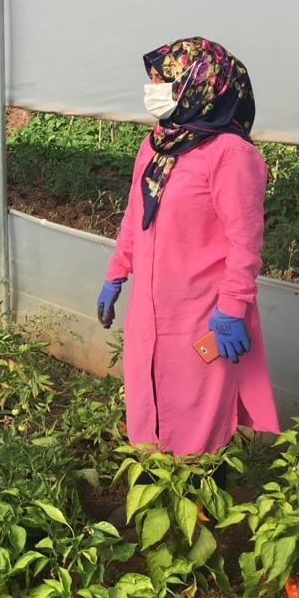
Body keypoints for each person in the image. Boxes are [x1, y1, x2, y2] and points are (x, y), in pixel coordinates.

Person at [96, 37, 279, 464]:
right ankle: (154, 489)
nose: (153, 90)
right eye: (153, 80)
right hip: (149, 309)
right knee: (149, 405)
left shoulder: (231, 154)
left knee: (199, 422)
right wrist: (116, 272)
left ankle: (200, 496)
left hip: (200, 312)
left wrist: (231, 309)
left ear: (198, 85)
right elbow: (134, 216)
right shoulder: (155, 145)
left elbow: (244, 243)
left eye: (162, 80)